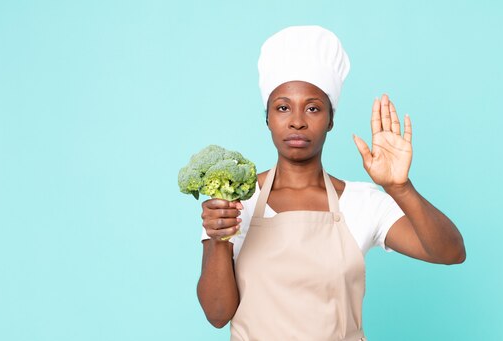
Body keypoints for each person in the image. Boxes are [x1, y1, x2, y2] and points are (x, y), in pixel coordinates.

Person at [197, 26, 466, 340]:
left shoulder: (361, 202)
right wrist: (219, 240)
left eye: (313, 108)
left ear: (331, 119)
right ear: (267, 118)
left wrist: (399, 188)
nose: (297, 121)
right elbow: (217, 315)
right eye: (283, 107)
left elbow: (450, 252)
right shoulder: (232, 202)